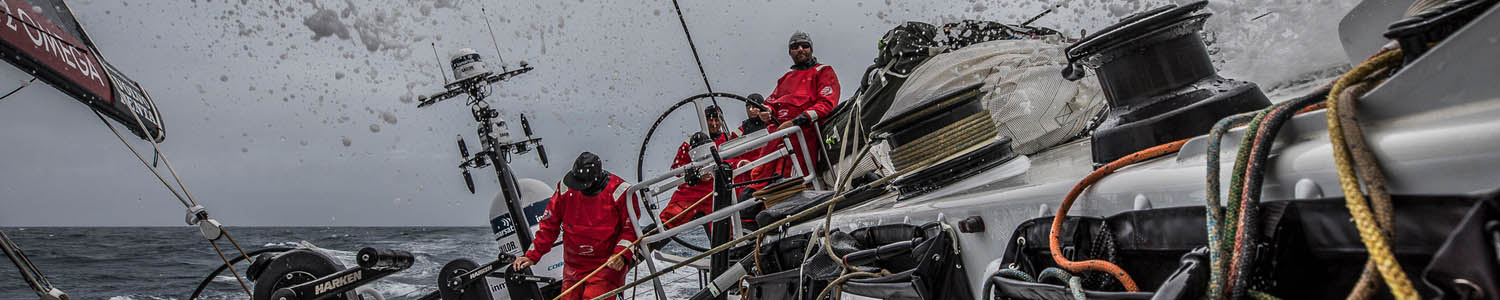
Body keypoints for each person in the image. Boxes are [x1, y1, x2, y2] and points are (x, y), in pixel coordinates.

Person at [511, 152, 638, 300]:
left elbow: (631, 231)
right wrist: (532, 255)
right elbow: (549, 225)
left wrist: (621, 254)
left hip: (605, 268)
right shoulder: (565, 189)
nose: (578, 189)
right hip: (573, 268)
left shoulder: (620, 192)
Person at [762, 31, 839, 177]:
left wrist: (797, 121)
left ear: (811, 49)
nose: (800, 49)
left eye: (804, 45)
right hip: (777, 141)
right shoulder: (784, 79)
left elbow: (827, 103)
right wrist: (766, 110)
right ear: (790, 52)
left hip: (806, 138)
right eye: (795, 46)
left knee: (795, 181)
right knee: (757, 184)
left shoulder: (823, 71)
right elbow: (771, 102)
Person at [658, 106, 733, 228]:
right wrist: (695, 173)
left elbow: (736, 161)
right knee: (668, 221)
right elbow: (677, 169)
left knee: (723, 230)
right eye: (710, 120)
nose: (714, 124)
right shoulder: (689, 144)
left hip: (717, 195)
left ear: (722, 121)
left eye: (717, 120)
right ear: (704, 120)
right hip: (691, 195)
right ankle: (646, 244)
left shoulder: (729, 141)